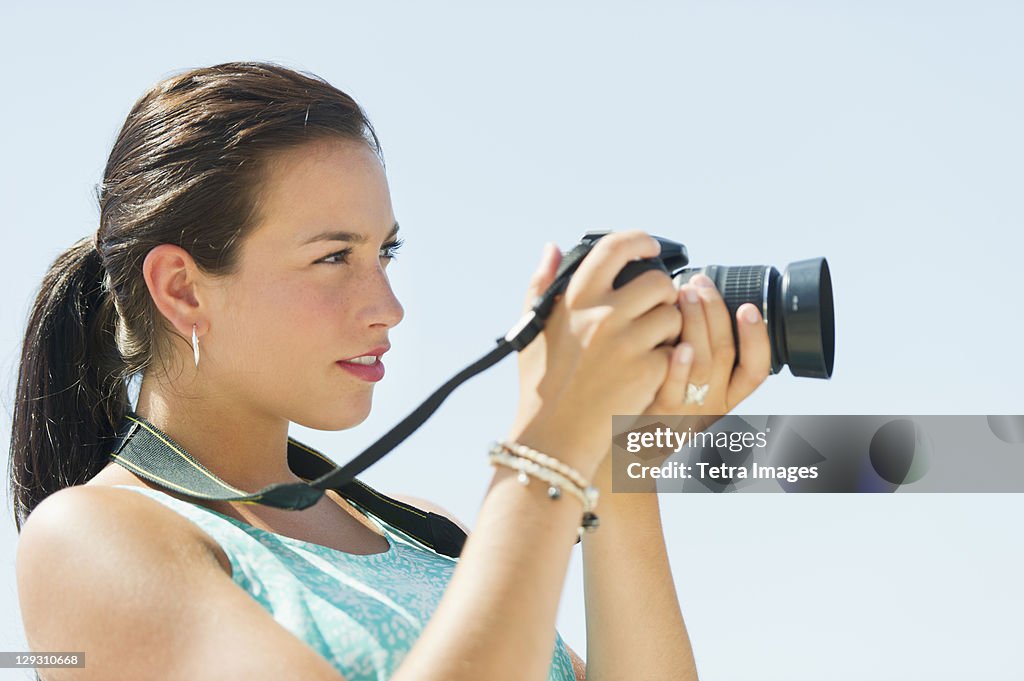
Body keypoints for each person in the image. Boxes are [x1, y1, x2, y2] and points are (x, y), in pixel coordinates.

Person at [9, 62, 772, 681]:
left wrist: (612, 471)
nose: (388, 306)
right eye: (334, 256)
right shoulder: (93, 539)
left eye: (385, 253)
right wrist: (546, 448)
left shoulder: (421, 533)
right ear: (181, 289)